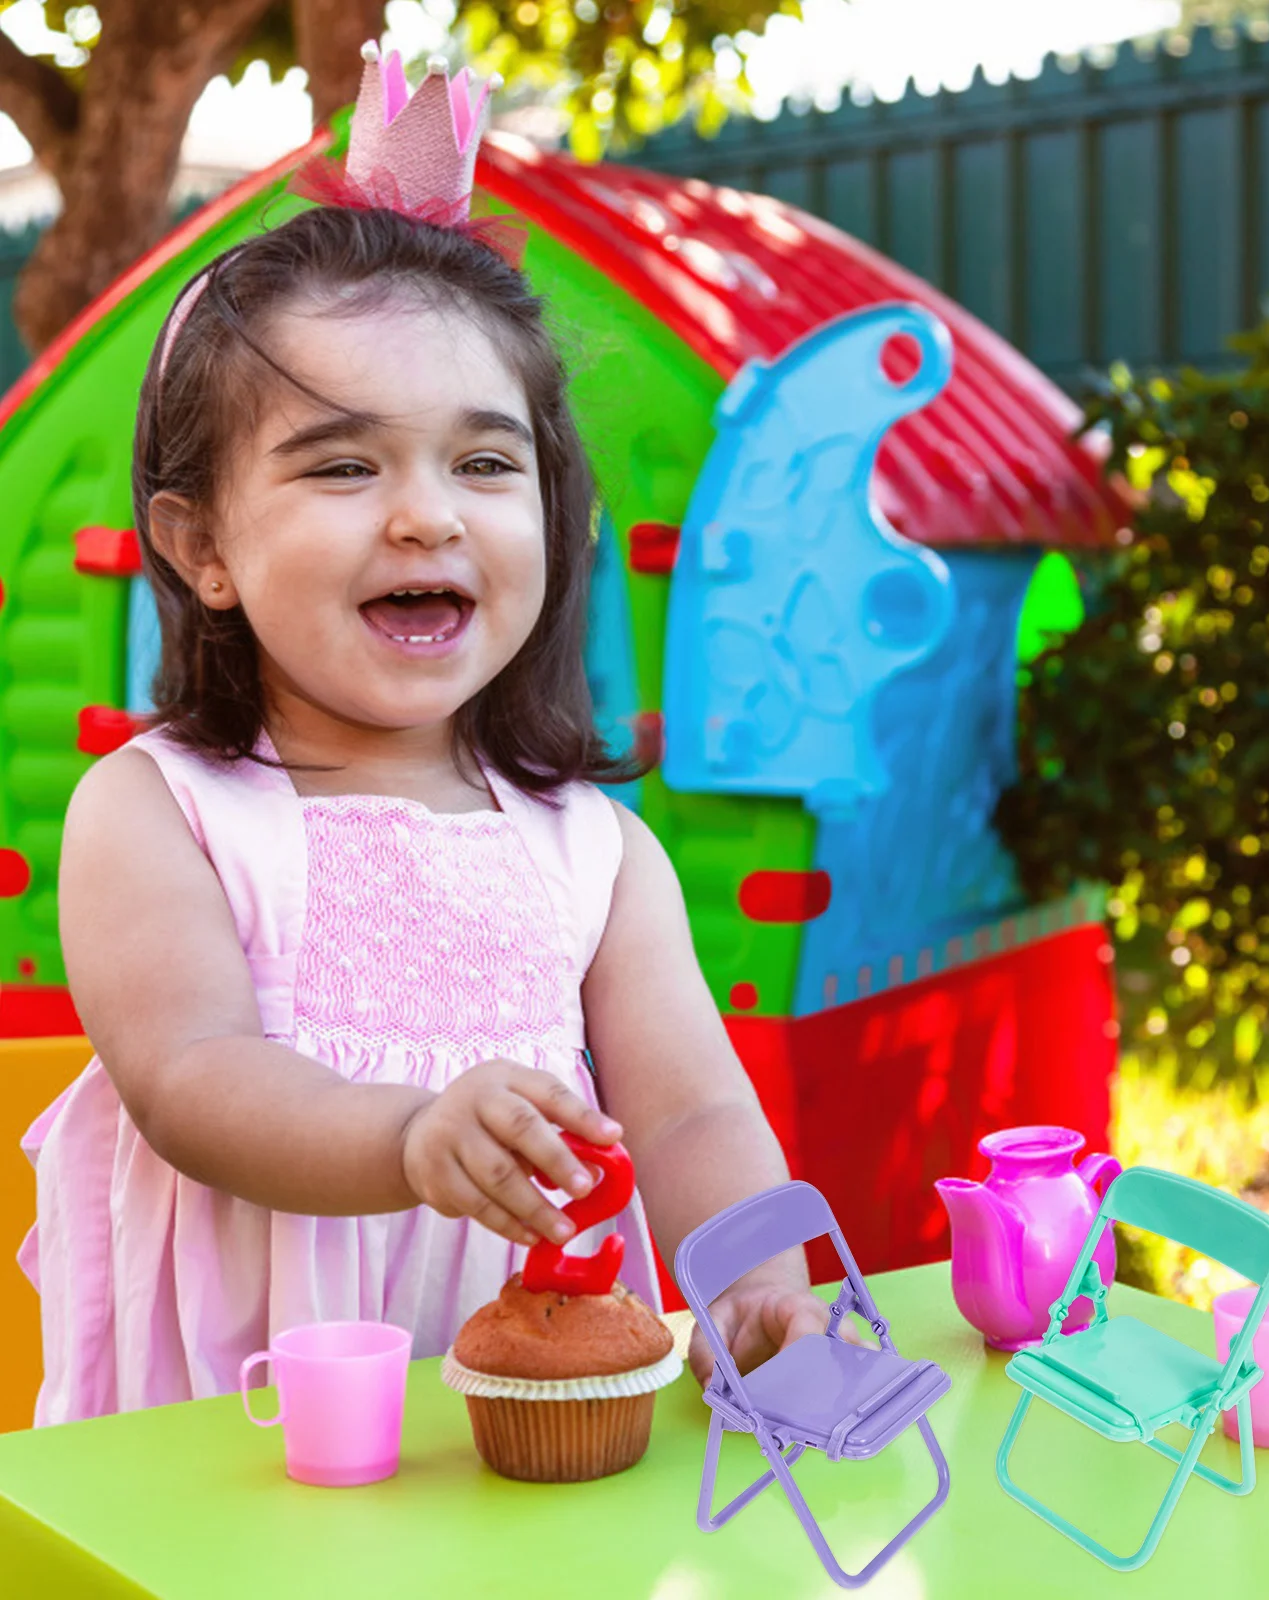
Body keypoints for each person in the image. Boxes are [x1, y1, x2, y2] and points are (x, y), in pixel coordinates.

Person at [18, 86, 828, 1426]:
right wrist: (407, 1137)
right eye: (343, 469)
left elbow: (688, 1116)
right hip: (250, 1432)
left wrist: (757, 1277)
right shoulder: (164, 813)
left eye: (485, 463)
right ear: (202, 547)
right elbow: (190, 1080)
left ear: (555, 522)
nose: (425, 516)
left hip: (536, 1414)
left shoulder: (593, 852)